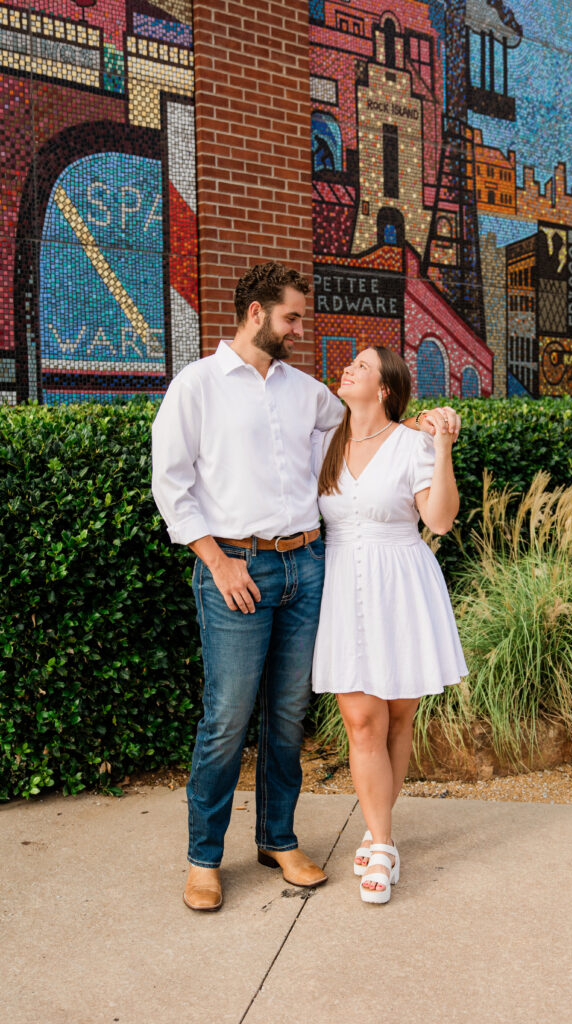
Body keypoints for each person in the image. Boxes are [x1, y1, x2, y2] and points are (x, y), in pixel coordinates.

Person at [151, 262, 457, 912]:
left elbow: (369, 433)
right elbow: (170, 484)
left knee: (287, 716)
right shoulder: (197, 387)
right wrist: (215, 559)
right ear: (256, 312)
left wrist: (428, 430)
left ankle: (278, 839)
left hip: (307, 568)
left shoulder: (305, 391)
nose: (298, 328)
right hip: (235, 569)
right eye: (291, 316)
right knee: (227, 718)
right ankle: (204, 858)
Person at [312, 345, 467, 904]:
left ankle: (379, 831)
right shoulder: (326, 441)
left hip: (400, 585)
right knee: (362, 721)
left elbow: (441, 521)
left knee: (398, 719)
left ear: (383, 389)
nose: (347, 368)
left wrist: (442, 445)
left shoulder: (412, 444)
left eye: (361, 366)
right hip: (341, 587)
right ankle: (383, 845)